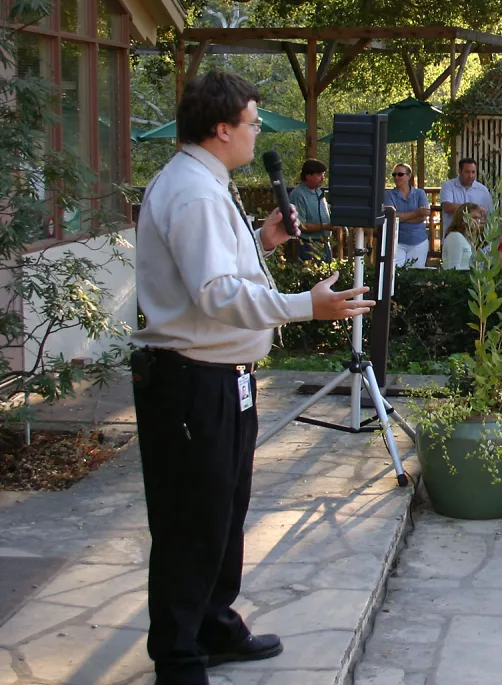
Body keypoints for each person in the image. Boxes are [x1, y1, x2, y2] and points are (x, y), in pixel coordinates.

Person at [131, 71, 373, 685]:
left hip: (221, 378)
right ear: (222, 129)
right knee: (191, 521)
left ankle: (213, 622)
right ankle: (178, 658)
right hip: (191, 383)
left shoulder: (208, 184)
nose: (258, 132)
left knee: (223, 510)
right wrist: (303, 306)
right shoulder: (193, 192)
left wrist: (261, 241)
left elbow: (216, 271)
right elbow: (215, 294)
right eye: (253, 122)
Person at [385, 162, 430, 268]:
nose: (396, 177)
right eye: (394, 174)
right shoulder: (388, 194)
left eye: (400, 174)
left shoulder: (420, 193)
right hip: (397, 241)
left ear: (409, 176)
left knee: (415, 274)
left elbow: (422, 217)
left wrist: (399, 218)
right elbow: (390, 217)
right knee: (395, 272)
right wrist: (415, 212)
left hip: (419, 241)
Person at [288, 159, 333, 263]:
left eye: (323, 175)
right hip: (308, 245)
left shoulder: (318, 191)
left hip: (324, 243)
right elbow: (301, 225)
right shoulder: (298, 194)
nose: (323, 178)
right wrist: (326, 226)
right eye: (319, 175)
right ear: (308, 176)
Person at [440, 203, 483, 271]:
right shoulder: (455, 237)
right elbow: (453, 268)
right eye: (474, 218)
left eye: (479, 218)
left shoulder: (468, 238)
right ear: (463, 218)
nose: (477, 221)